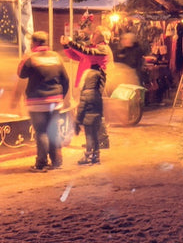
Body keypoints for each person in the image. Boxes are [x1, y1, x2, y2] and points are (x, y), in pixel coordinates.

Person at [15, 31, 70, 172]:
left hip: (37, 102)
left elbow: (20, 74)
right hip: (55, 101)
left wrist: (27, 56)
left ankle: (41, 163)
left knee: (41, 132)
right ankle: (57, 161)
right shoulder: (56, 57)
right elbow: (66, 79)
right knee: (53, 131)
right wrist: (60, 96)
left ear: (34, 43)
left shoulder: (31, 58)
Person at [62, 28, 113, 94]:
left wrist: (71, 43)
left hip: (93, 86)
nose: (92, 34)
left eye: (96, 33)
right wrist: (66, 46)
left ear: (103, 37)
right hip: (85, 83)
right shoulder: (92, 47)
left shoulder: (103, 48)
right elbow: (76, 56)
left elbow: (86, 53)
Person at [75, 62, 106, 165]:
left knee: (88, 136)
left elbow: (81, 108)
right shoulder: (98, 94)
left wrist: (77, 121)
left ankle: (87, 156)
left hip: (87, 119)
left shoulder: (85, 93)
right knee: (96, 136)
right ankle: (96, 156)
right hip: (97, 118)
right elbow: (101, 108)